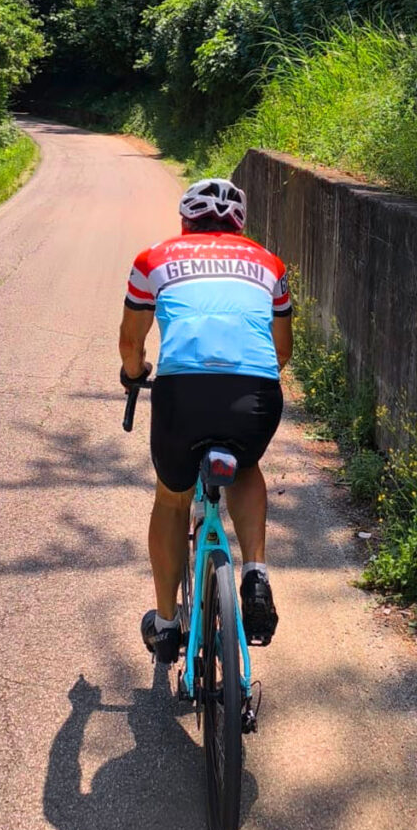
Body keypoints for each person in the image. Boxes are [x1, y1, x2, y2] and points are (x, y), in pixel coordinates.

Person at [118, 178, 292, 663]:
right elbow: (281, 351)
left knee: (173, 499)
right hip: (254, 391)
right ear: (239, 224)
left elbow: (132, 345)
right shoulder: (269, 263)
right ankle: (255, 573)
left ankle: (167, 625)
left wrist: (134, 375)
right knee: (247, 466)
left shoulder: (153, 259)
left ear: (185, 221)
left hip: (183, 395)